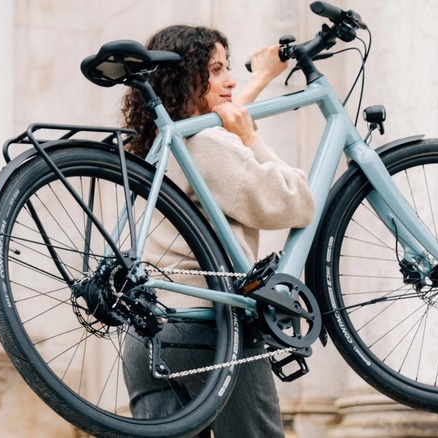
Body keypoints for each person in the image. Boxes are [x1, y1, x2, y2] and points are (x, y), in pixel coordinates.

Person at [120, 25, 315, 437]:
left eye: (229, 68)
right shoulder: (208, 144)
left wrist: (261, 79)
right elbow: (295, 201)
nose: (230, 80)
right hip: (207, 328)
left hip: (145, 336)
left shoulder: (161, 143)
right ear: (185, 77)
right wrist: (250, 136)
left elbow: (215, 136)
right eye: (215, 70)